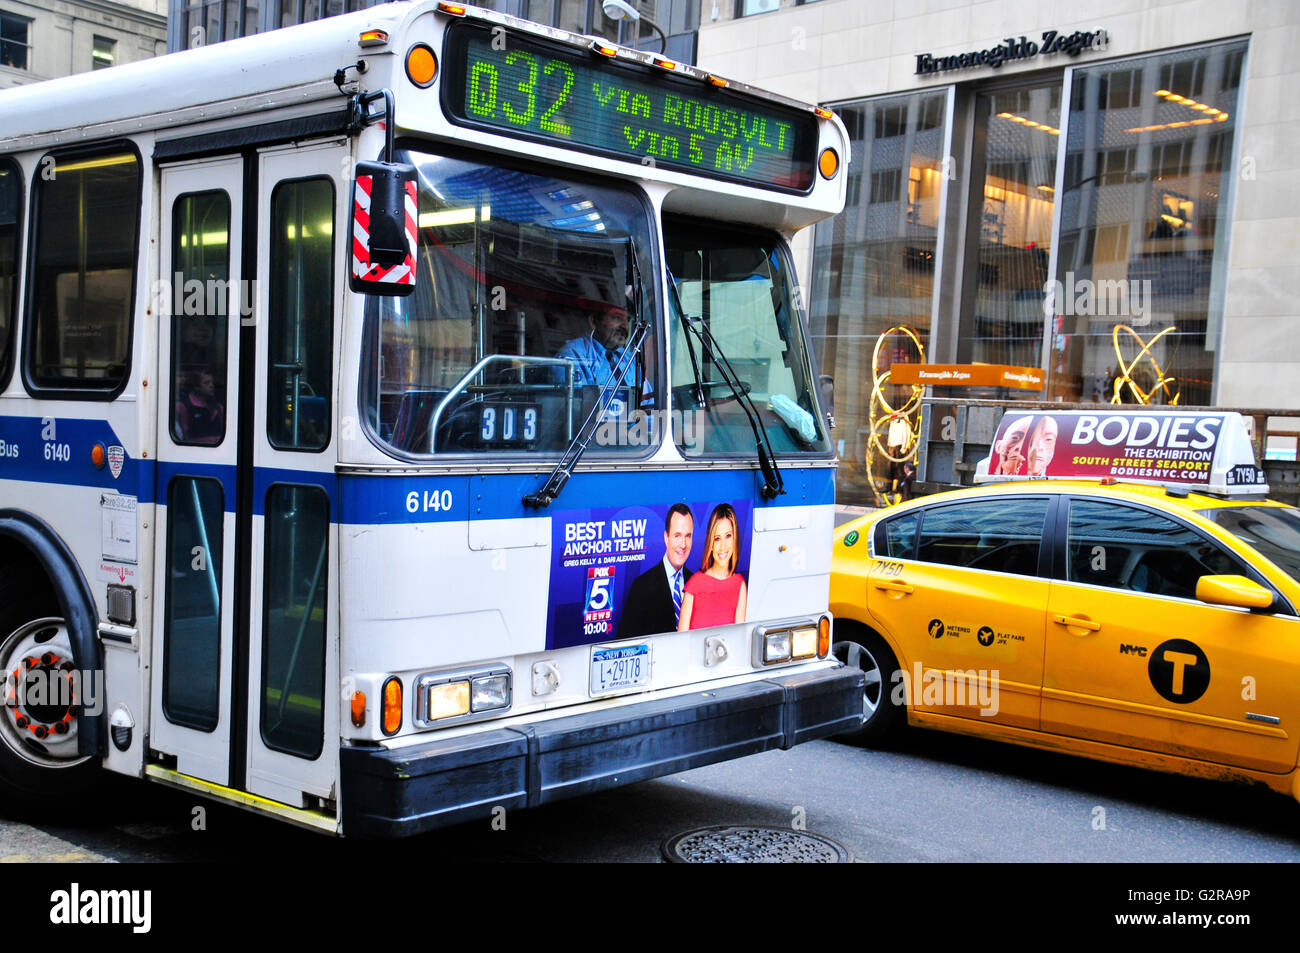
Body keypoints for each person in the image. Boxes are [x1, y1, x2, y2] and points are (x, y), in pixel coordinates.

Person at [617, 504, 693, 639]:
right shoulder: (641, 586)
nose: (683, 544)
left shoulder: (696, 582)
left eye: (688, 536)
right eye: (677, 535)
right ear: (666, 537)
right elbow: (625, 643)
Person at [678, 503, 747, 631]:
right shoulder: (695, 583)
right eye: (717, 539)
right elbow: (680, 641)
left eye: (728, 536)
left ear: (735, 538)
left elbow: (739, 637)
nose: (723, 546)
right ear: (710, 542)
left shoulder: (739, 585)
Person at [555, 306, 633, 388]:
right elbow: (578, 399)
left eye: (627, 320)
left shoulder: (631, 360)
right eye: (617, 317)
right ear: (594, 321)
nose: (625, 326)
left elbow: (645, 398)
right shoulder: (572, 355)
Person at [175, 367, 225, 444]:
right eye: (206, 383)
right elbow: (184, 436)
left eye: (212, 382)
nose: (211, 386)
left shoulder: (218, 407)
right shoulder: (183, 406)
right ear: (196, 387)